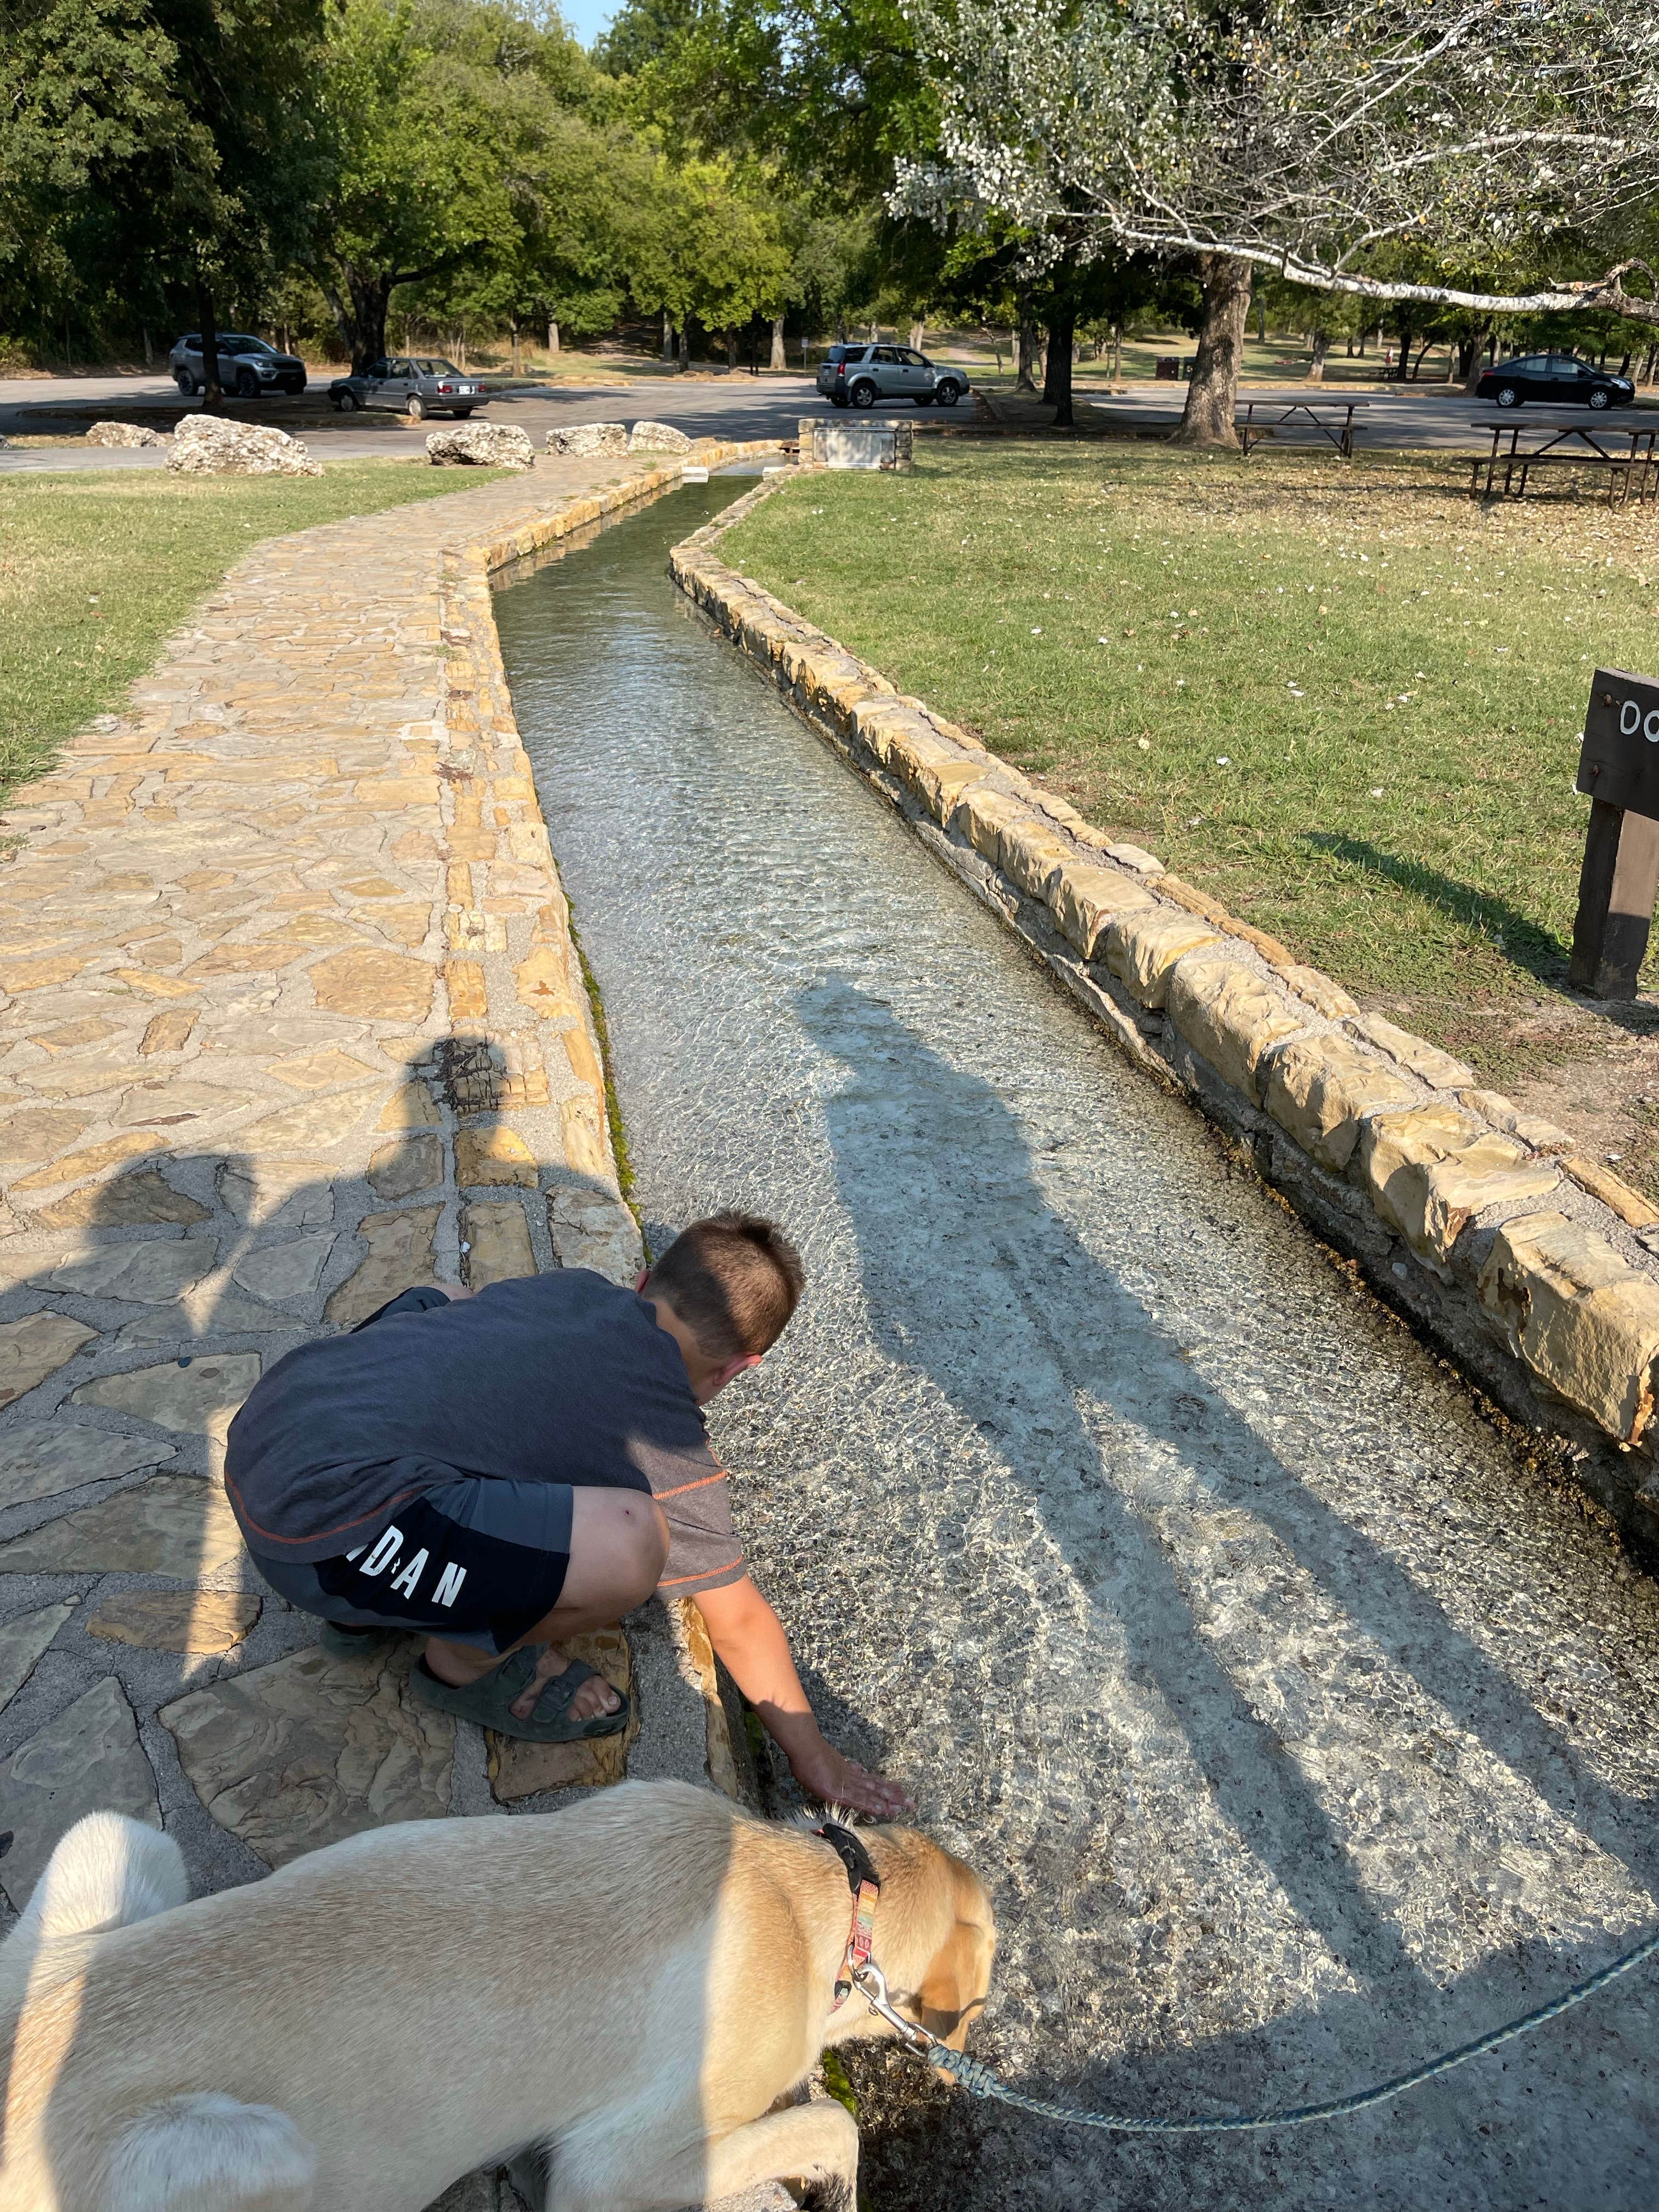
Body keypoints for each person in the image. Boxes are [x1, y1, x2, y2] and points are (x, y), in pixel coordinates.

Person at [223, 1210, 909, 1818]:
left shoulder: (573, 1289)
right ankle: (459, 1668)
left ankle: (358, 1617)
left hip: (268, 1435)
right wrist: (816, 1757)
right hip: (322, 1546)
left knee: (451, 1300)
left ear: (642, 1283)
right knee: (633, 1543)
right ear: (739, 1368)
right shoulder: (668, 1438)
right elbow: (737, 1620)